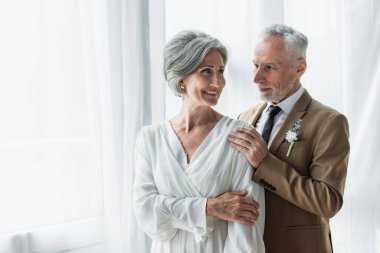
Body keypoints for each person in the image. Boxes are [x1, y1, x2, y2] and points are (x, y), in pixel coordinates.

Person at [133, 30, 265, 253]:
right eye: (207, 71)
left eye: (221, 71)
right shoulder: (151, 138)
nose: (218, 82)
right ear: (182, 78)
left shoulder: (240, 135)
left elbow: (246, 225)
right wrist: (209, 207)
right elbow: (145, 210)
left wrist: (171, 209)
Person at [226, 24, 350, 253]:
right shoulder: (245, 117)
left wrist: (265, 163)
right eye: (255, 65)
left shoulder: (329, 122)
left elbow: (328, 201)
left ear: (299, 67)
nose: (256, 78)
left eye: (269, 67)